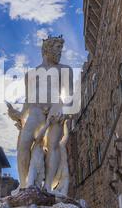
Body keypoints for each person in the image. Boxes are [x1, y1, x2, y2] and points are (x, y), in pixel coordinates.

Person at [7, 36, 73, 193]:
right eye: (57, 48)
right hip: (35, 110)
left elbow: (70, 96)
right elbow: (28, 101)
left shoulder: (65, 70)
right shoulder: (31, 75)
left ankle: (48, 186)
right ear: (47, 49)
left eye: (60, 49)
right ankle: (24, 186)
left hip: (56, 107)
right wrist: (18, 114)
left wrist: (65, 110)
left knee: (53, 145)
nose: (60, 52)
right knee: (23, 144)